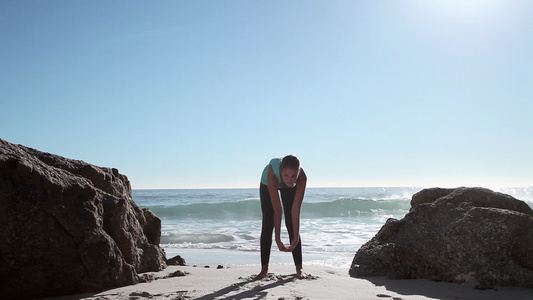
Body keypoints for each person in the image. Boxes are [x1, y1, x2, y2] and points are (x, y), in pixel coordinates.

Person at [255, 154, 307, 280]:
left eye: (293, 176)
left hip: (288, 188)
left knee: (291, 223)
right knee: (268, 222)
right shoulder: (272, 173)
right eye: (286, 175)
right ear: (281, 172)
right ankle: (264, 270)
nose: (290, 179)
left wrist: (295, 237)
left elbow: (296, 211)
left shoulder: (301, 178)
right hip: (267, 183)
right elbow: (277, 210)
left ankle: (299, 269)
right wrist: (277, 239)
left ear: (298, 173)